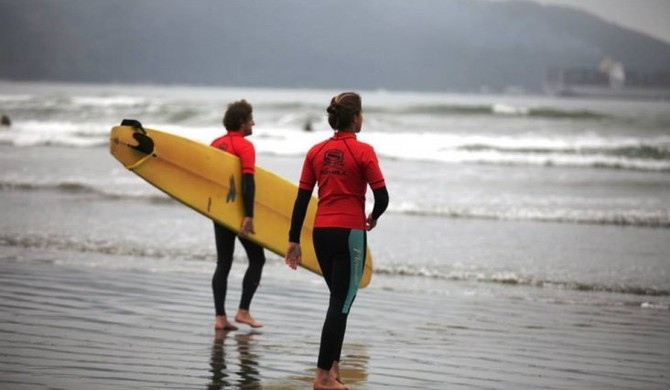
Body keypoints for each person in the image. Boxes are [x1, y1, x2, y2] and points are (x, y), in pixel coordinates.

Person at [284, 92, 389, 390]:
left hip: (321, 233)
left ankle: (333, 369)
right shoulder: (364, 151)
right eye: (361, 114)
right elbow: (382, 197)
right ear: (355, 118)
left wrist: (294, 240)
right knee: (340, 305)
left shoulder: (315, 152)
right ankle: (321, 378)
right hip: (349, 234)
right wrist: (374, 216)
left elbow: (302, 199)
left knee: (338, 302)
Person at [210, 99, 265, 331]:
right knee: (257, 259)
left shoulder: (214, 144)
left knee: (224, 262)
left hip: (220, 211)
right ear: (242, 123)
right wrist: (248, 215)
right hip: (238, 212)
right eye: (250, 119)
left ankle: (220, 318)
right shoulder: (245, 146)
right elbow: (247, 182)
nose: (253, 123)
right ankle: (243, 311)